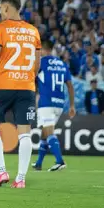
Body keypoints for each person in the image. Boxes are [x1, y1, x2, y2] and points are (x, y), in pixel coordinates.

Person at [0, 0, 41, 189]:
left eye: (1, 8)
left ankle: (2, 172)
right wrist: (28, 79)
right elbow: (37, 61)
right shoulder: (33, 31)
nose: (0, 12)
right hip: (26, 86)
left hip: (3, 85)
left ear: (8, 8)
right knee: (25, 132)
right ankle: (21, 179)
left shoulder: (0, 29)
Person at [33, 40, 75, 172]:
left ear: (43, 50)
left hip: (46, 102)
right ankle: (39, 162)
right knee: (45, 133)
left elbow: (31, 77)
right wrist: (72, 105)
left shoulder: (41, 63)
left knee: (49, 132)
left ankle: (59, 161)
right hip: (60, 103)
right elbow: (69, 85)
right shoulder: (62, 64)